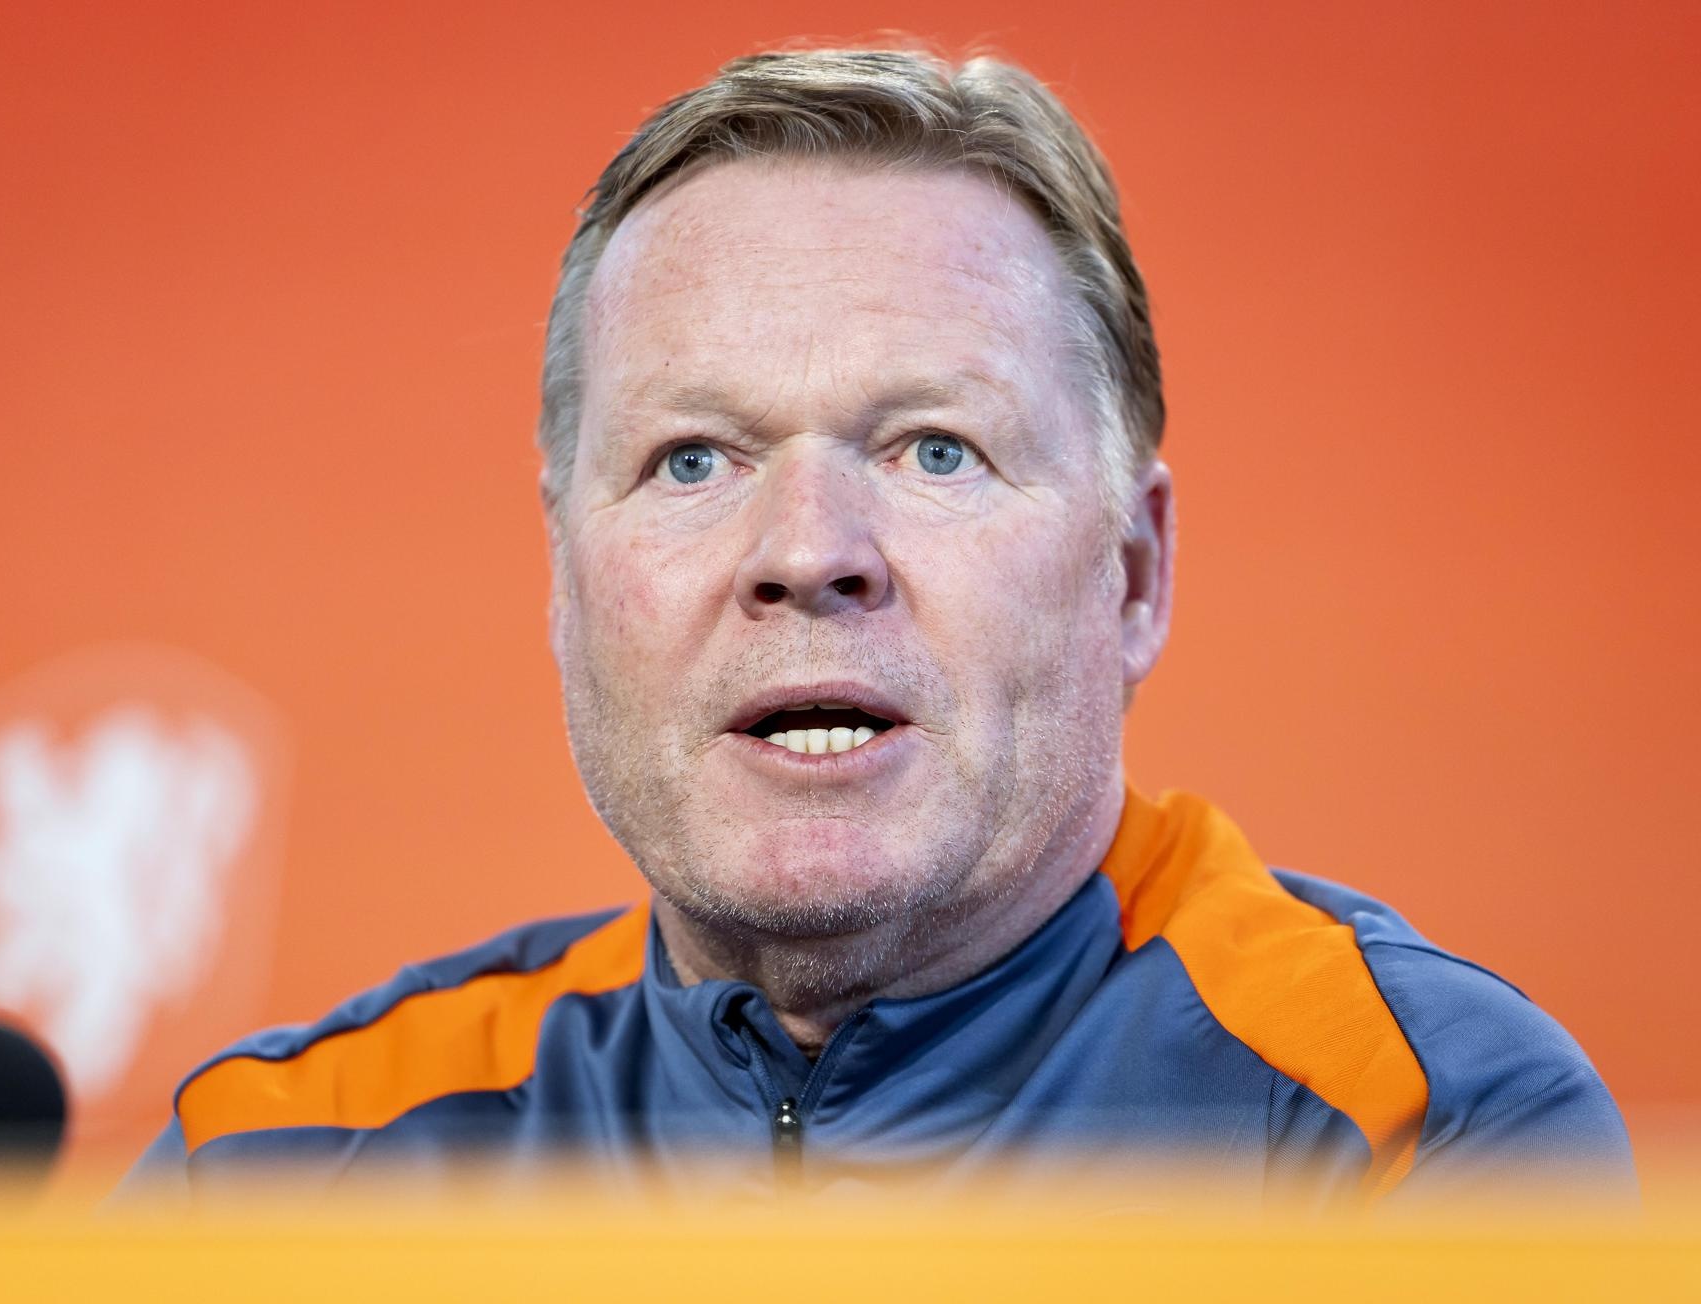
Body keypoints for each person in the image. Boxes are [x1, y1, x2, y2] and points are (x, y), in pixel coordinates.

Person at [118, 47, 1632, 1211]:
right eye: (692, 460)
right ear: (566, 581)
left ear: (1134, 572)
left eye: (934, 451)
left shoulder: (1409, 1133)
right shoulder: (274, 1172)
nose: (807, 553)